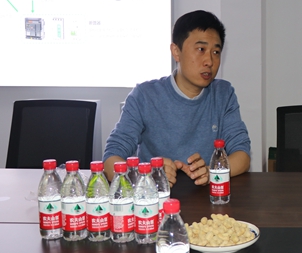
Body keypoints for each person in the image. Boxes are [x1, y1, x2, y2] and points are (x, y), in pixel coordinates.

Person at [103, 10, 251, 188]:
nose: (209, 61)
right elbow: (111, 159)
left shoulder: (223, 94)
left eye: (216, 52)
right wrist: (148, 174)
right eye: (201, 49)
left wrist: (213, 172)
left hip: (207, 197)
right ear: (176, 51)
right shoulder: (144, 96)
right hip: (154, 198)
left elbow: (242, 155)